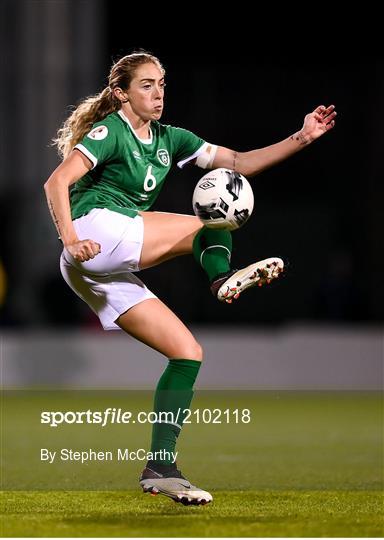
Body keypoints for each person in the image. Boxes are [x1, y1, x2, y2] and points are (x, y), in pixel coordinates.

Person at [44, 51, 336, 506]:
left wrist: (303, 136)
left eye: (162, 83)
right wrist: (70, 238)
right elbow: (56, 182)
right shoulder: (110, 132)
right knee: (211, 222)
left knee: (187, 353)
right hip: (94, 232)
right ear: (121, 93)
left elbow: (237, 161)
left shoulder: (171, 138)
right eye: (146, 85)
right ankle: (221, 279)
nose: (158, 93)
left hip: (98, 267)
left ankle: (160, 468)